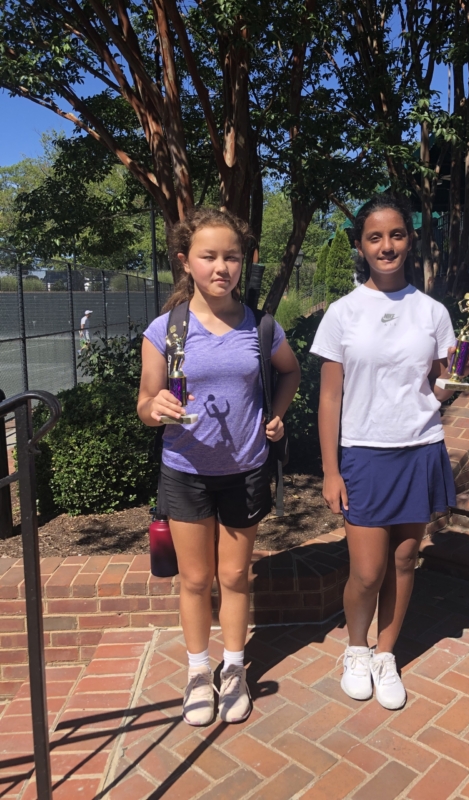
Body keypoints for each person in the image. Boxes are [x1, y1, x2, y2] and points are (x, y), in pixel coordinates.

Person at [310, 194, 469, 710]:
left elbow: (438, 389)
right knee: (366, 571)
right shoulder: (342, 313)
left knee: (405, 560)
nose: (387, 246)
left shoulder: (432, 312)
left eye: (397, 235)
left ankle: (386, 654)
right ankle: (355, 649)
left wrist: (457, 376)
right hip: (364, 454)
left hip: (420, 448)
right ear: (361, 246)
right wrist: (330, 470)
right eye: (375, 237)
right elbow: (330, 398)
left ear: (410, 240)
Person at [137, 208, 300, 726]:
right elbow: (144, 404)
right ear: (186, 262)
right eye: (208, 256)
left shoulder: (261, 326)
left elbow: (291, 372)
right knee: (194, 578)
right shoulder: (166, 330)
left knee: (233, 575)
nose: (221, 267)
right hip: (185, 471)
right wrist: (156, 408)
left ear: (242, 262)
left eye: (231, 256)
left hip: (245, 470)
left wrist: (276, 416)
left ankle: (233, 669)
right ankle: (196, 672)